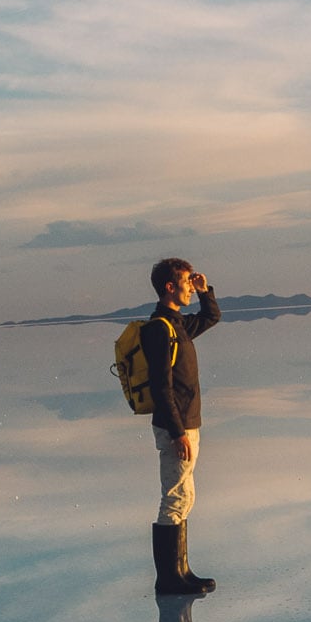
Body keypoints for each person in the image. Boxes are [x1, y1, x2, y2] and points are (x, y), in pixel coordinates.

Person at [141, 256, 222, 597]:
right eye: (188, 282)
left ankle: (181, 570)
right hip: (177, 427)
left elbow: (211, 317)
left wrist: (206, 291)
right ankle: (168, 579)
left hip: (188, 423)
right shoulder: (160, 329)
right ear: (170, 287)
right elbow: (161, 386)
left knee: (185, 495)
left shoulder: (178, 325)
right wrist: (176, 433)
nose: (191, 286)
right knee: (174, 497)